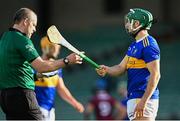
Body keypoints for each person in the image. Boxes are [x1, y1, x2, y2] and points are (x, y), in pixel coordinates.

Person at [0, 8, 83, 120]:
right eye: (33, 25)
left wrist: (36, 76)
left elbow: (12, 70)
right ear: (25, 21)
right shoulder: (22, 40)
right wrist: (67, 60)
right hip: (23, 96)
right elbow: (41, 66)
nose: (34, 29)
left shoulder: (4, 38)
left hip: (5, 98)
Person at [96, 8, 161, 121]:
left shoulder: (148, 44)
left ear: (137, 23)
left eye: (129, 22)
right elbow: (121, 68)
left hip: (142, 99)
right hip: (134, 98)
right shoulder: (134, 45)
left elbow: (155, 75)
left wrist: (143, 102)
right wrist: (107, 69)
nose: (126, 25)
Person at [35, 36, 84, 120]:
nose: (57, 50)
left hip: (50, 110)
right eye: (55, 47)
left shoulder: (57, 67)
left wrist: (75, 103)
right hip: (37, 109)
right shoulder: (35, 66)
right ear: (47, 48)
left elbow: (61, 88)